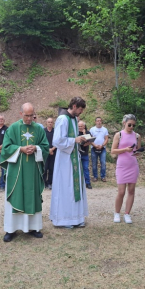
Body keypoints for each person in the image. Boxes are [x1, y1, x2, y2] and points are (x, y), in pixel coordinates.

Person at [0, 103, 49, 242]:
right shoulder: (13, 128)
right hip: (16, 171)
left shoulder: (38, 129)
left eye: (32, 115)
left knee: (32, 195)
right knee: (16, 194)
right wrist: (20, 149)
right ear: (20, 114)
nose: (29, 118)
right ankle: (11, 229)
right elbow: (6, 148)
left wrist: (36, 148)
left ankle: (33, 227)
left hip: (32, 170)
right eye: (27, 115)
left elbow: (45, 147)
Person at [50, 97, 89, 228]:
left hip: (74, 158)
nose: (81, 112)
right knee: (66, 188)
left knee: (75, 188)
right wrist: (74, 140)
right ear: (73, 106)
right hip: (65, 160)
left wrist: (81, 140)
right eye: (79, 109)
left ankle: (76, 218)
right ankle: (64, 219)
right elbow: (57, 141)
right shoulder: (62, 119)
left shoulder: (73, 119)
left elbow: (73, 138)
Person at [111, 114, 141, 224]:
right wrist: (125, 149)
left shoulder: (137, 136)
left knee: (131, 190)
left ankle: (127, 213)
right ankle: (117, 213)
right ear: (124, 123)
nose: (132, 127)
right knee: (121, 191)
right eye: (129, 125)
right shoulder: (118, 135)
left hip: (133, 165)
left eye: (133, 125)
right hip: (122, 165)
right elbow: (113, 151)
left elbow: (137, 150)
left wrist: (137, 152)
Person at [90, 117, 109, 182]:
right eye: (97, 121)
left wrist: (102, 145)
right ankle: (95, 177)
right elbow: (90, 139)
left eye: (100, 121)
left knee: (103, 163)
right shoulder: (92, 129)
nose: (99, 122)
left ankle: (103, 176)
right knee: (94, 163)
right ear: (95, 122)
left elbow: (106, 139)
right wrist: (94, 145)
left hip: (102, 148)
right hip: (93, 148)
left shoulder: (105, 129)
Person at [78, 120, 92, 189]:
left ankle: (88, 183)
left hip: (85, 154)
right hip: (77, 154)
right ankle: (79, 183)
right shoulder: (76, 132)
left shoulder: (88, 132)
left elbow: (90, 141)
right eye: (79, 126)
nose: (80, 127)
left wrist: (84, 133)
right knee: (78, 169)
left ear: (84, 126)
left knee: (86, 168)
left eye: (81, 126)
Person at [43, 118, 57, 189]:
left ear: (53, 123)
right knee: (44, 169)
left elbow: (58, 141)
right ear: (46, 123)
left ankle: (50, 183)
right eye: (49, 122)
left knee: (52, 168)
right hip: (45, 152)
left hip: (53, 152)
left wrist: (52, 149)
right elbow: (41, 141)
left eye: (51, 122)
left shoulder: (56, 131)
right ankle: (44, 183)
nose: (50, 123)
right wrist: (48, 150)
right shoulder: (43, 131)